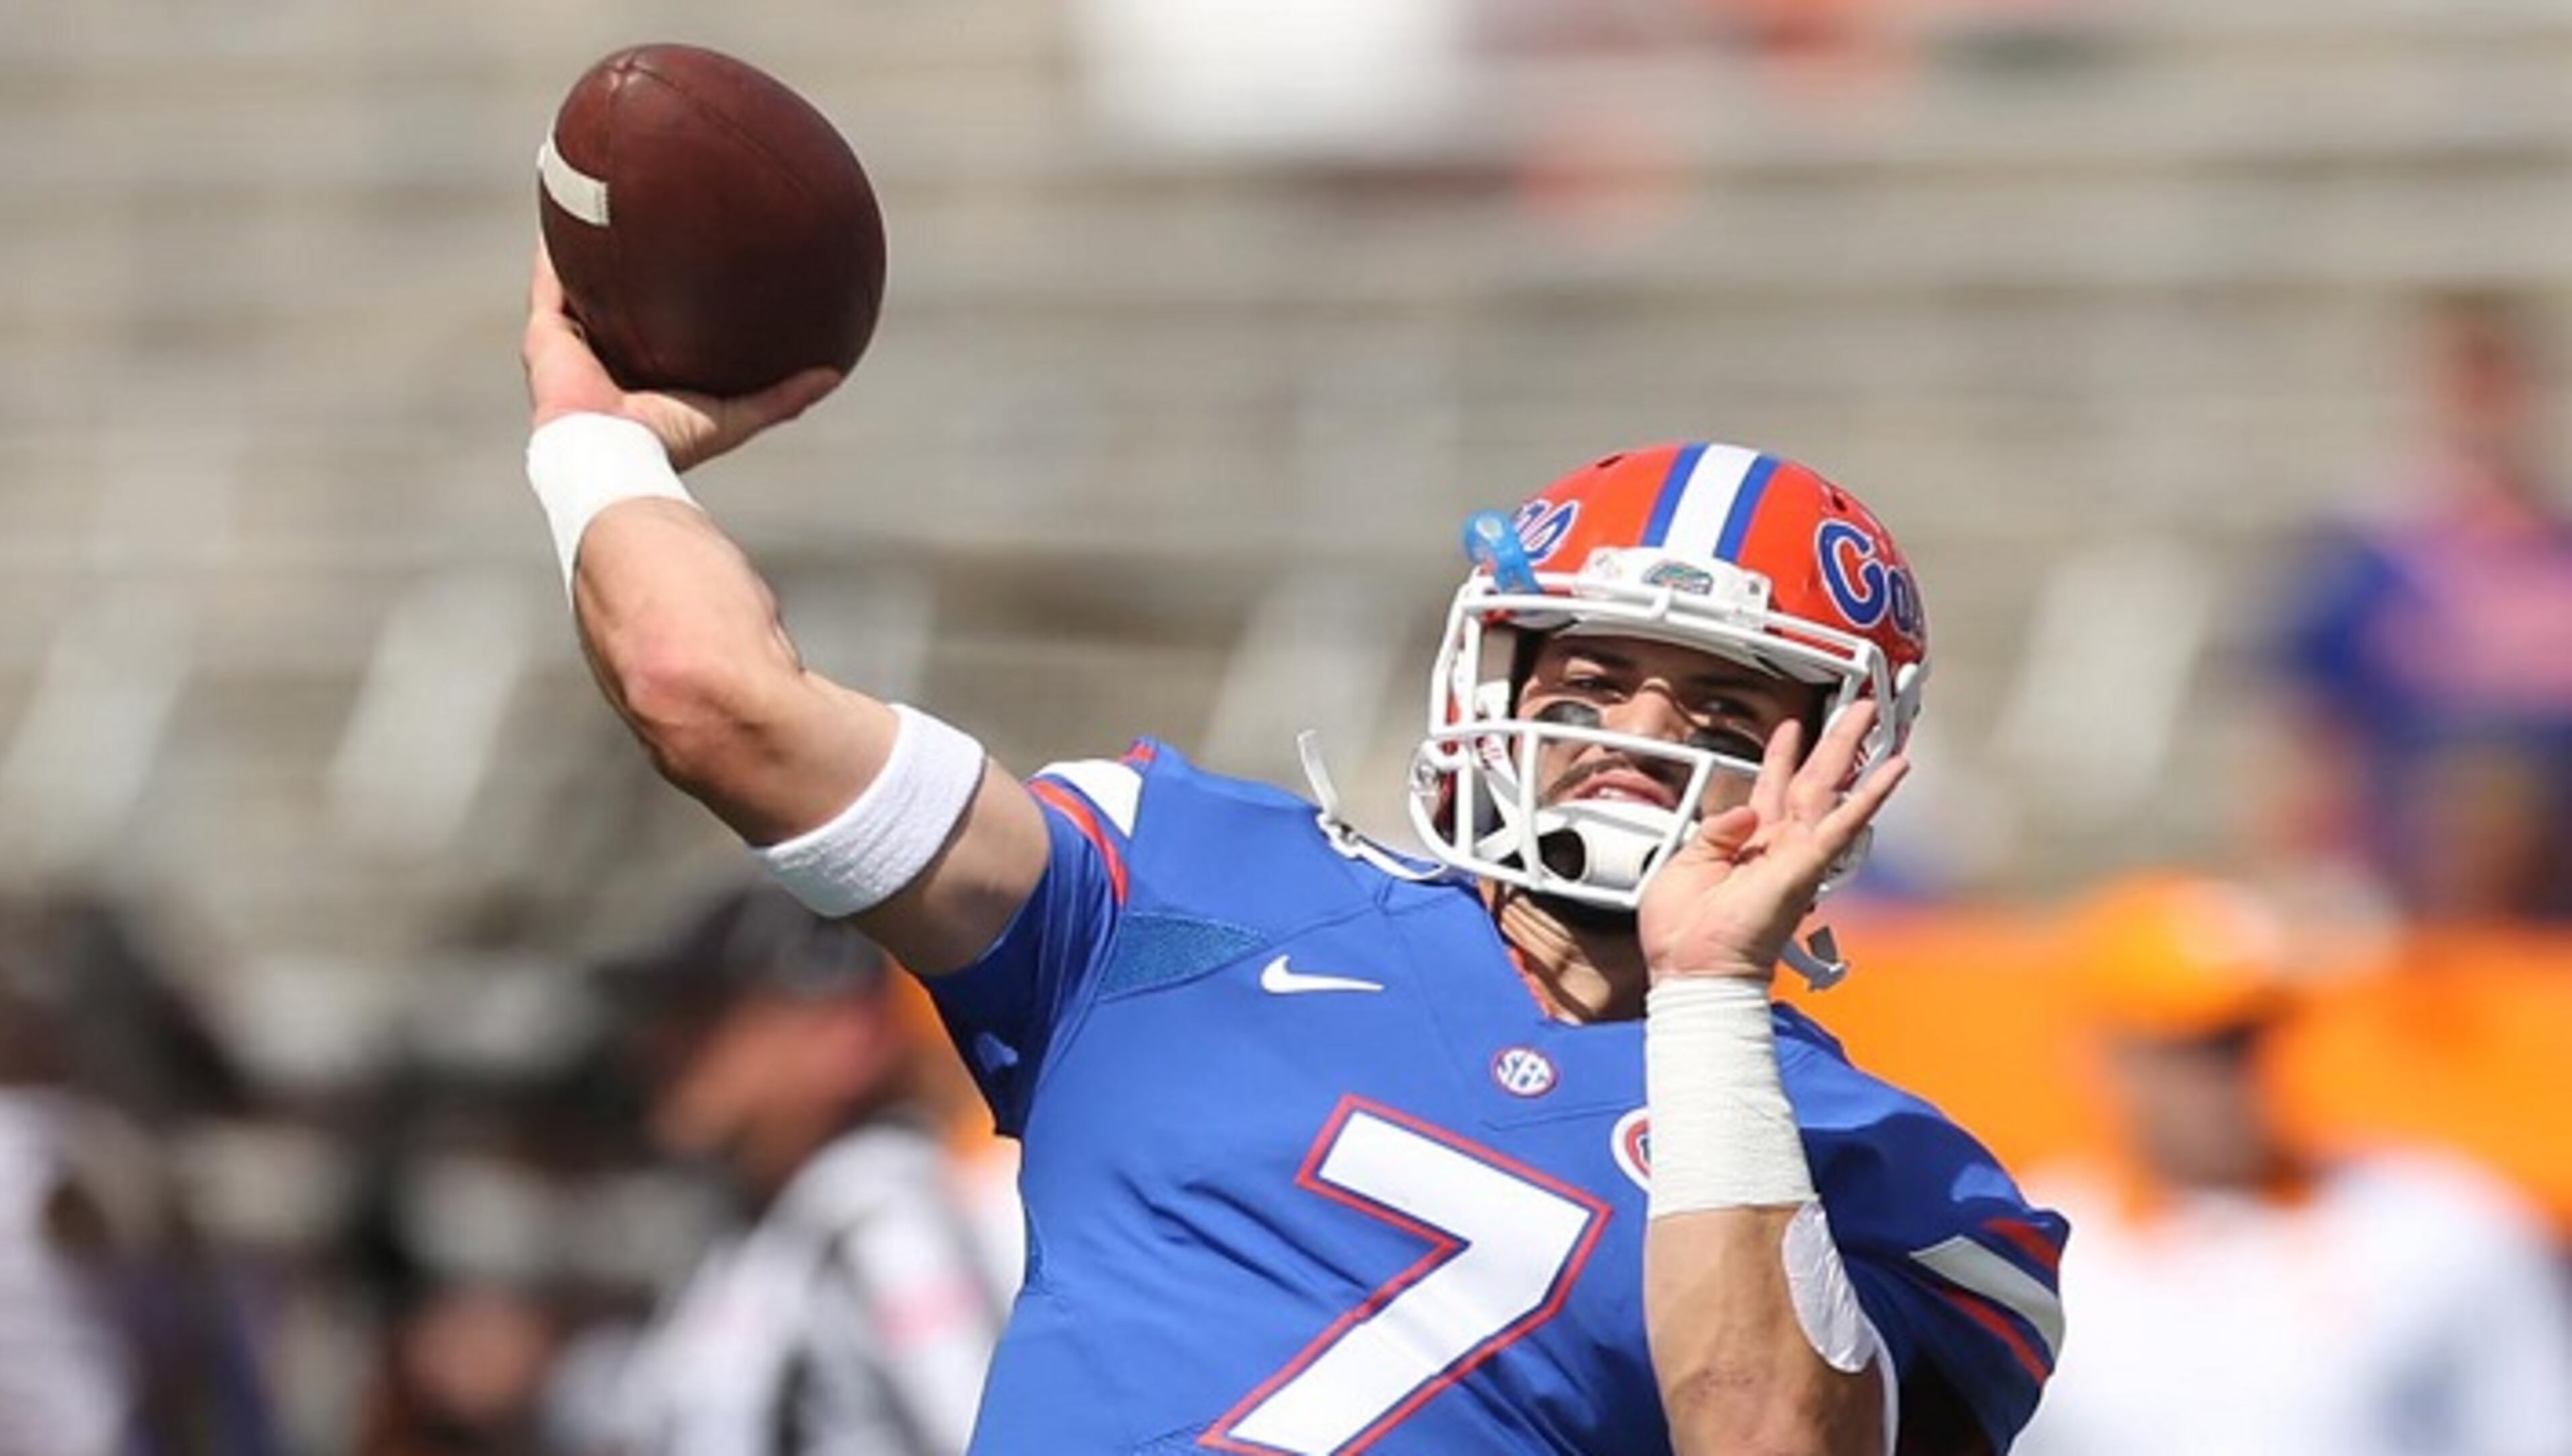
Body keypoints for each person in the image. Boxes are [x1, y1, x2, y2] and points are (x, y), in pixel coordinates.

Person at [518, 247, 2065, 1454]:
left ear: (1840, 759)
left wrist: (1711, 1003)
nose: (1627, 732)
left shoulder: (1887, 1167)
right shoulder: (1177, 884)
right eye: (1587, 680)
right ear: (1489, 684)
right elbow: (710, 697)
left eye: (1718, 702)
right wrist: (596, 446)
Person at [2015, 872, 2572, 1456]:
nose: (2223, 1078)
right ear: (2103, 1055)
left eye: (2244, 1041)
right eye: (2187, 1046)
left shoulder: (2443, 1227)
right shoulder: (2024, 1247)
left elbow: (2534, 1433)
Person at [585, 884, 1013, 1456]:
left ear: (846, 1034)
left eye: (706, 1014)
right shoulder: (758, 1229)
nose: (659, 1044)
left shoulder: (874, 1216)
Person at [2262, 290, 2572, 923]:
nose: (2483, 411)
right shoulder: (2366, 563)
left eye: (2497, 385)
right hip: (2406, 895)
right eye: (2465, 386)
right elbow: (2308, 739)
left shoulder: (2557, 548)